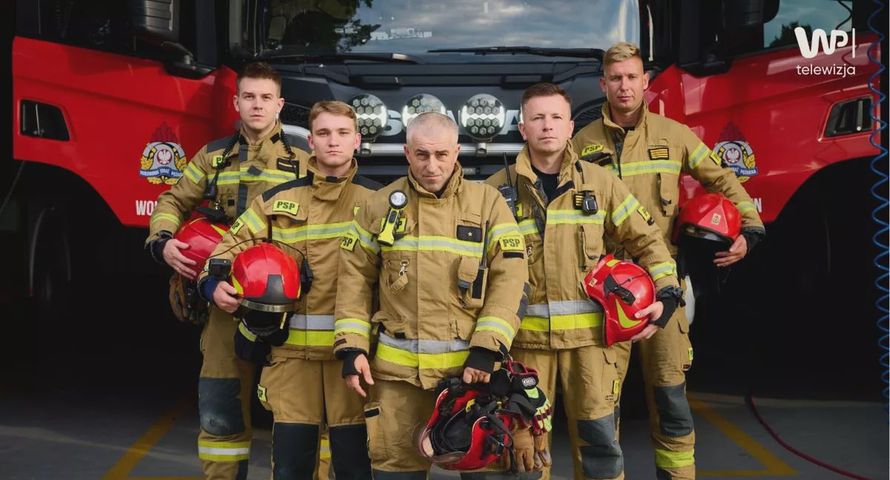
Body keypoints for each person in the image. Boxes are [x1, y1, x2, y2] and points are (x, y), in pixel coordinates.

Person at [572, 42, 766, 480]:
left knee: (671, 400)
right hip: (604, 295)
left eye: (632, 77)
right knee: (598, 410)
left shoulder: (674, 136)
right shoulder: (579, 146)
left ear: (645, 82)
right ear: (604, 84)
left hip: (665, 291)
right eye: (615, 78)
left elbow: (722, 178)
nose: (624, 86)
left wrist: (749, 232)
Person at [485, 82, 682, 480]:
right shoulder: (494, 192)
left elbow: (646, 239)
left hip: (593, 348)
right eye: (537, 118)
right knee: (524, 457)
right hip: (525, 351)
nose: (547, 126)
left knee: (601, 453)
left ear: (570, 125)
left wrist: (668, 292)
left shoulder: (600, 182)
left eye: (556, 117)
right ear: (522, 128)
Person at [334, 112, 529, 480]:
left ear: (457, 152)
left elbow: (512, 278)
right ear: (407, 153)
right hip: (397, 380)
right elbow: (354, 281)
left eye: (441, 154)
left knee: (484, 471)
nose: (432, 165)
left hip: (473, 378)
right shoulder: (378, 206)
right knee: (395, 472)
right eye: (422, 155)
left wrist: (487, 350)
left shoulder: (488, 204)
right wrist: (351, 348)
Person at [198, 100, 379, 480]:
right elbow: (224, 252)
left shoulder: (379, 202)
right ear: (311, 142)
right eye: (325, 134)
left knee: (354, 467)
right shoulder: (278, 200)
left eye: (343, 133)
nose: (334, 142)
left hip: (353, 360)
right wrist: (212, 284)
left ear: (357, 140)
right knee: (292, 467)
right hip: (292, 359)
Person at [145, 62, 309, 480]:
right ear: (236, 102)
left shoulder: (306, 162)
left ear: (280, 105)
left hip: (287, 304)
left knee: (296, 416)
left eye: (265, 98)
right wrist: (163, 242)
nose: (257, 105)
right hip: (223, 300)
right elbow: (171, 201)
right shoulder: (213, 157)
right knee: (220, 408)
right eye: (249, 97)